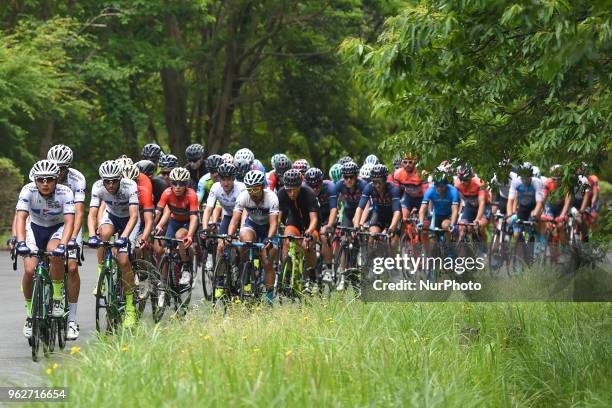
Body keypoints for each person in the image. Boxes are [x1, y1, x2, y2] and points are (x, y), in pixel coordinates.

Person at [15, 160, 75, 338]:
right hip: (34, 227)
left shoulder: (66, 192)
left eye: (49, 179)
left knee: (55, 254)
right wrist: (20, 242)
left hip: (57, 228)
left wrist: (63, 245)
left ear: (56, 179)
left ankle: (57, 298)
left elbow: (70, 221)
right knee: (29, 270)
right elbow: (21, 217)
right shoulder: (28, 190)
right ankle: (29, 314)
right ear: (35, 180)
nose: (45, 183)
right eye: (40, 180)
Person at [87, 160, 140, 328]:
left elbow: (134, 216)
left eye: (114, 181)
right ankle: (101, 277)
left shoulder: (130, 186)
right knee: (103, 234)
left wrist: (123, 237)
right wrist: (91, 234)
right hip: (112, 216)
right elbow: (92, 214)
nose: (110, 185)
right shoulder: (97, 187)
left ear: (120, 179)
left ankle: (131, 307)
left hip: (129, 221)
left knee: (124, 261)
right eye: (107, 181)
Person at [46, 144, 85, 340]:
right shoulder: (43, 174)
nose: (57, 171)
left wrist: (72, 239)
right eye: (55, 166)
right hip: (46, 222)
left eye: (61, 168)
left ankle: (72, 321)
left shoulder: (77, 179)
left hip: (69, 223)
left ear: (68, 168)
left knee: (71, 266)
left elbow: (78, 212)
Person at [227, 170, 279, 302]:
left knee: (267, 262)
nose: (252, 193)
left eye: (255, 189)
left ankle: (268, 298)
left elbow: (274, 223)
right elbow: (234, 220)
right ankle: (247, 268)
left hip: (269, 228)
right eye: (250, 190)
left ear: (262, 187)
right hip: (253, 225)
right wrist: (229, 236)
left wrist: (269, 238)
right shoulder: (243, 197)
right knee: (244, 238)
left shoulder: (271, 197)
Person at [154, 167, 199, 288]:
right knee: (164, 248)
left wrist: (190, 235)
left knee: (180, 236)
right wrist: (155, 226)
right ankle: (164, 279)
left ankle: (186, 268)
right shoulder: (167, 193)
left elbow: (194, 217)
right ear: (170, 183)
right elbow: (158, 212)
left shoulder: (191, 195)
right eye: (174, 183)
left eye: (181, 183)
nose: (178, 186)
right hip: (174, 221)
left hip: (188, 222)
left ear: (186, 184)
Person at [277, 169, 320, 292]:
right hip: (294, 220)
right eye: (288, 190)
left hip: (310, 222)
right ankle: (288, 273)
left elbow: (314, 219)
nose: (291, 193)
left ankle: (312, 276)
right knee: (287, 239)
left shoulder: (308, 193)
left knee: (307, 245)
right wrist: (278, 226)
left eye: (294, 189)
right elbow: (278, 216)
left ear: (300, 186)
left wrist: (309, 231)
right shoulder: (281, 193)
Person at [355, 164, 401, 249]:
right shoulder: (369, 187)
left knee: (392, 244)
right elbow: (360, 208)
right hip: (379, 214)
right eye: (375, 182)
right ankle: (370, 260)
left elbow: (397, 212)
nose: (377, 185)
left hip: (393, 216)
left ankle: (392, 261)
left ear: (385, 180)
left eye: (380, 182)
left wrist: (392, 227)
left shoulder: (393, 189)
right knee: (372, 236)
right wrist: (356, 225)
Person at [304, 168, 337, 284]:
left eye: (317, 185)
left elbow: (334, 209)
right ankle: (310, 271)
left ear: (322, 182)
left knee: (324, 235)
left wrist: (329, 225)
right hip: (312, 218)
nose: (315, 189)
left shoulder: (330, 187)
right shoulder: (303, 189)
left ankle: (328, 268)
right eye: (311, 186)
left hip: (327, 217)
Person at [417, 169, 460, 243]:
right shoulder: (430, 191)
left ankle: (450, 247)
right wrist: (420, 221)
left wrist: (452, 224)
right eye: (437, 186)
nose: (440, 189)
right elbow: (423, 208)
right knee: (432, 239)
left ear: (446, 185)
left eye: (442, 186)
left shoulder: (453, 191)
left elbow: (455, 210)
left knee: (445, 225)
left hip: (449, 215)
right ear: (435, 185)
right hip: (437, 215)